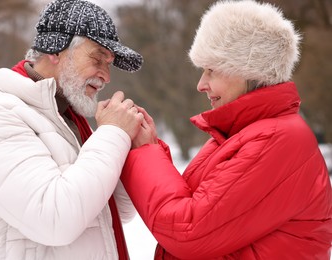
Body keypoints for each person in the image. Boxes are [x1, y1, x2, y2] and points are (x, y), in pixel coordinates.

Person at [121, 0, 332, 259]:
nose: (201, 84)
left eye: (211, 70)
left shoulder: (276, 139)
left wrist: (145, 152)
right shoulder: (238, 136)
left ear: (248, 69)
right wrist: (151, 146)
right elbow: (192, 206)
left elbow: (188, 230)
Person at [0, 0, 144, 259]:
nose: (106, 76)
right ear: (55, 50)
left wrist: (132, 147)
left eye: (109, 63)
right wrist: (112, 134)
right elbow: (54, 220)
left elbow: (113, 212)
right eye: (98, 58)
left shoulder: (66, 119)